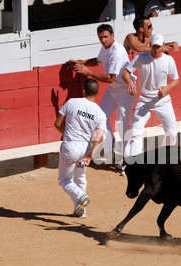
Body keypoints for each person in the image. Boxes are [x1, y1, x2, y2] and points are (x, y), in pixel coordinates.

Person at [66, 24, 137, 166]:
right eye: (100, 37)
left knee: (122, 125)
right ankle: (112, 151)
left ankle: (130, 160)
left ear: (112, 36)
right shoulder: (105, 49)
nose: (103, 40)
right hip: (113, 90)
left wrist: (88, 72)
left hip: (125, 90)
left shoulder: (117, 51)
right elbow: (98, 61)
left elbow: (109, 78)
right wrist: (81, 62)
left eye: (105, 37)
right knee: (100, 119)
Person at [54, 79, 107, 218]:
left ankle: (80, 196)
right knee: (80, 177)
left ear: (83, 90)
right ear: (97, 92)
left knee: (64, 180)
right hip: (86, 148)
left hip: (70, 145)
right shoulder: (100, 113)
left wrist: (66, 133)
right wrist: (90, 156)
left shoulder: (71, 102)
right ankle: (81, 211)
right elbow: (99, 138)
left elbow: (57, 123)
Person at [122, 34, 180, 156]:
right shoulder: (141, 58)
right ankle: (134, 164)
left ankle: (165, 158)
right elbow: (126, 72)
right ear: (150, 46)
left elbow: (176, 80)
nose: (157, 49)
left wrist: (167, 88)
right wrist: (129, 82)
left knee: (172, 132)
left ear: (163, 46)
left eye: (159, 47)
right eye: (154, 46)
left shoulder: (169, 60)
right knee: (136, 131)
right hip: (144, 100)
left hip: (163, 101)